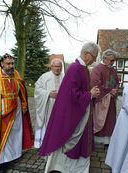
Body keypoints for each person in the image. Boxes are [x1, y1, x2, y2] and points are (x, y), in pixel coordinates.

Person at [39, 42, 101, 173]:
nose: (95, 60)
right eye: (94, 57)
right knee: (70, 139)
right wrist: (90, 94)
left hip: (82, 110)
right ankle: (66, 167)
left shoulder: (83, 68)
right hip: (73, 113)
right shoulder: (75, 68)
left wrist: (91, 92)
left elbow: (80, 89)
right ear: (86, 54)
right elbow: (72, 93)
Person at [90, 49, 119, 144]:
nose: (112, 62)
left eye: (114, 60)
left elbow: (116, 82)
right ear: (105, 58)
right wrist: (109, 91)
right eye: (111, 60)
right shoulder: (97, 69)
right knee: (101, 118)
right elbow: (95, 83)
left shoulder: (113, 69)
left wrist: (115, 90)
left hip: (111, 100)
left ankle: (108, 139)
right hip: (102, 99)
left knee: (110, 120)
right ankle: (98, 139)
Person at [34, 58, 64, 148]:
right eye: (55, 66)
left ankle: (58, 142)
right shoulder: (45, 77)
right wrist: (48, 94)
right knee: (48, 124)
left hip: (61, 106)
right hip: (48, 106)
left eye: (59, 66)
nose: (57, 68)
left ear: (61, 67)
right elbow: (38, 89)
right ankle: (45, 143)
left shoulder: (64, 77)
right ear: (51, 67)